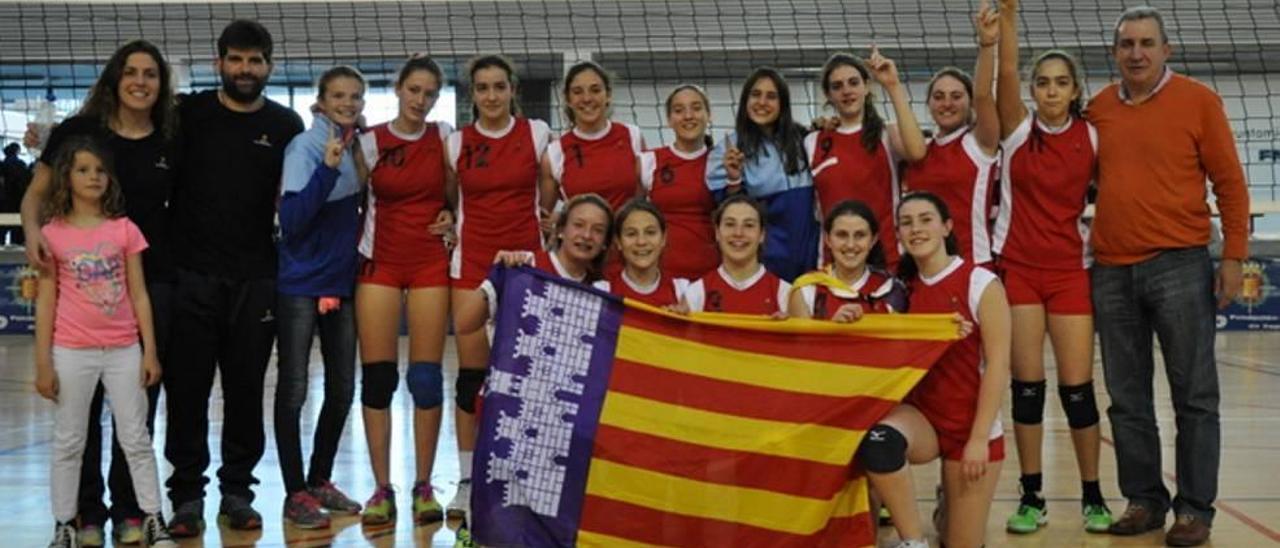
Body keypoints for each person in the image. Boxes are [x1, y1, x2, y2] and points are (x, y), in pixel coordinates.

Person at [1087, 6, 1250, 545]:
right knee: (1126, 396)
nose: (1136, 53)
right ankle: (1144, 501)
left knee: (1195, 395)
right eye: (1127, 44)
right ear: (1115, 53)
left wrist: (1232, 258)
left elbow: (1230, 184)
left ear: (1166, 51)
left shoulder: (1200, 102)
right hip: (1111, 270)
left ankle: (1195, 509)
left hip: (1180, 263)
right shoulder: (1099, 109)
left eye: (1146, 43)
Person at [19, 39, 178, 547]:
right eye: (130, 71)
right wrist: (31, 236)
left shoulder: (169, 138)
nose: (139, 81)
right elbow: (35, 198)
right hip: (76, 326)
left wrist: (149, 344)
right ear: (114, 78)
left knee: (136, 427)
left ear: (161, 84)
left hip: (138, 296)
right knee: (75, 427)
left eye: (150, 73)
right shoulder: (77, 134)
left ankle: (138, 512)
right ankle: (81, 516)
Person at [162, 20, 305, 536]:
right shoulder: (187, 115)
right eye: (236, 59)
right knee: (188, 390)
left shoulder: (287, 126)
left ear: (269, 65)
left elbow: (307, 197)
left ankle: (237, 492)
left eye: (256, 60)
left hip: (256, 279)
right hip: (192, 276)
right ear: (219, 61)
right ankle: (186, 496)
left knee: (245, 391)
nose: (246, 69)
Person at [992, 0, 1111, 534]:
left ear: (1075, 90)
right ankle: (1032, 496)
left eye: (1061, 82)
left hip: (1069, 272)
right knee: (1027, 388)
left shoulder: (1092, 136)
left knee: (1078, 389)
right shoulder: (1017, 130)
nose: (1051, 90)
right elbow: (1006, 77)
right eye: (1043, 82)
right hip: (1019, 270)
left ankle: (1093, 495)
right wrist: (1010, 21)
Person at [857, 191, 1010, 548]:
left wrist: (977, 440)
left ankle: (949, 510)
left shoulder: (979, 283)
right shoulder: (900, 289)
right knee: (878, 443)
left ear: (947, 227)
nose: (916, 229)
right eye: (906, 223)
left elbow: (999, 366)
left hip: (969, 427)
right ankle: (913, 541)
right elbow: (872, 341)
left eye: (926, 219)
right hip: (923, 420)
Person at [444, 53, 552, 519]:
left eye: (498, 87)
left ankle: (524, 478)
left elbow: (549, 195)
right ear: (474, 94)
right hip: (471, 266)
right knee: (473, 381)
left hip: (527, 268)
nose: (491, 95)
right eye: (482, 88)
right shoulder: (456, 143)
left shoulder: (538, 133)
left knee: (528, 382)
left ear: (512, 91)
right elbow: (451, 199)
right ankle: (469, 482)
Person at [354, 54, 456, 526]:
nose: (420, 100)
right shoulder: (370, 142)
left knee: (425, 378)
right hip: (380, 264)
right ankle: (380, 489)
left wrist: (452, 218)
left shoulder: (444, 139)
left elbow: (458, 197)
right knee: (377, 379)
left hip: (429, 263)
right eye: (413, 90)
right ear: (398, 89)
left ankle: (423, 486)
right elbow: (347, 201)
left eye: (429, 93)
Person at [272, 65, 367, 529]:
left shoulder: (356, 147)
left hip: (341, 284)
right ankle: (294, 492)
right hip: (299, 285)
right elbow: (291, 220)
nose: (348, 103)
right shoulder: (305, 147)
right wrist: (327, 171)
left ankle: (320, 479)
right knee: (293, 389)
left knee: (343, 388)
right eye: (339, 96)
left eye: (355, 96)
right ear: (322, 101)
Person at [805, 50, 925, 271]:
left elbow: (917, 151)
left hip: (886, 260)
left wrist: (893, 85)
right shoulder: (813, 142)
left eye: (853, 82)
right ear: (828, 95)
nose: (847, 91)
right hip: (833, 265)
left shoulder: (886, 134)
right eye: (837, 86)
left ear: (866, 86)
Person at [902, 3, 1001, 266]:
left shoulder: (979, 143)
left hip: (972, 263)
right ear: (929, 105)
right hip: (922, 267)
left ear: (969, 103)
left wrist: (987, 46)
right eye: (939, 97)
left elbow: (983, 94)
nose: (947, 103)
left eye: (956, 96)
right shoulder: (918, 149)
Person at [707, 67, 818, 282]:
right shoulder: (728, 149)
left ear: (782, 104)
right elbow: (729, 213)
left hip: (811, 257)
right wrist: (733, 179)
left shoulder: (805, 140)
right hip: (765, 263)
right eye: (756, 95)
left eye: (771, 96)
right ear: (745, 101)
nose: (762, 102)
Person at [456, 193, 614, 334]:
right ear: (560, 230)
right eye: (578, 225)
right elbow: (463, 325)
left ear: (605, 243)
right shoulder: (525, 266)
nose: (587, 235)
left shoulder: (604, 289)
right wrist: (498, 278)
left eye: (598, 230)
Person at [542, 60, 643, 215]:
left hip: (625, 237)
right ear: (568, 99)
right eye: (577, 92)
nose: (587, 98)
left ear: (608, 95)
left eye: (595, 90)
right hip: (583, 239)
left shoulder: (632, 136)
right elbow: (544, 216)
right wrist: (558, 222)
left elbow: (644, 200)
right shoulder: (554, 152)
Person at [640, 84, 718, 280]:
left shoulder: (721, 163)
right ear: (669, 120)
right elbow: (633, 218)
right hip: (661, 275)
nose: (688, 116)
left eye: (696, 108)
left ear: (709, 115)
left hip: (710, 275)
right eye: (679, 110)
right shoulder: (648, 161)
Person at [788, 200, 906, 320]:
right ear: (828, 239)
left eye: (860, 235)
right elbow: (802, 339)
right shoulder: (807, 289)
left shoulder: (891, 289)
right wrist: (834, 329)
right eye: (842, 235)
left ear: (873, 240)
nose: (850, 245)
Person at [681, 193, 790, 316]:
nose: (738, 233)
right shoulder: (695, 293)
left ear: (762, 235)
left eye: (748, 225)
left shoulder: (785, 294)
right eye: (730, 224)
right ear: (717, 232)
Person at [594, 199, 690, 307]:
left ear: (663, 238)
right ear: (619, 242)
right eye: (631, 234)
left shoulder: (683, 291)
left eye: (650, 232)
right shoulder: (601, 292)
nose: (641, 241)